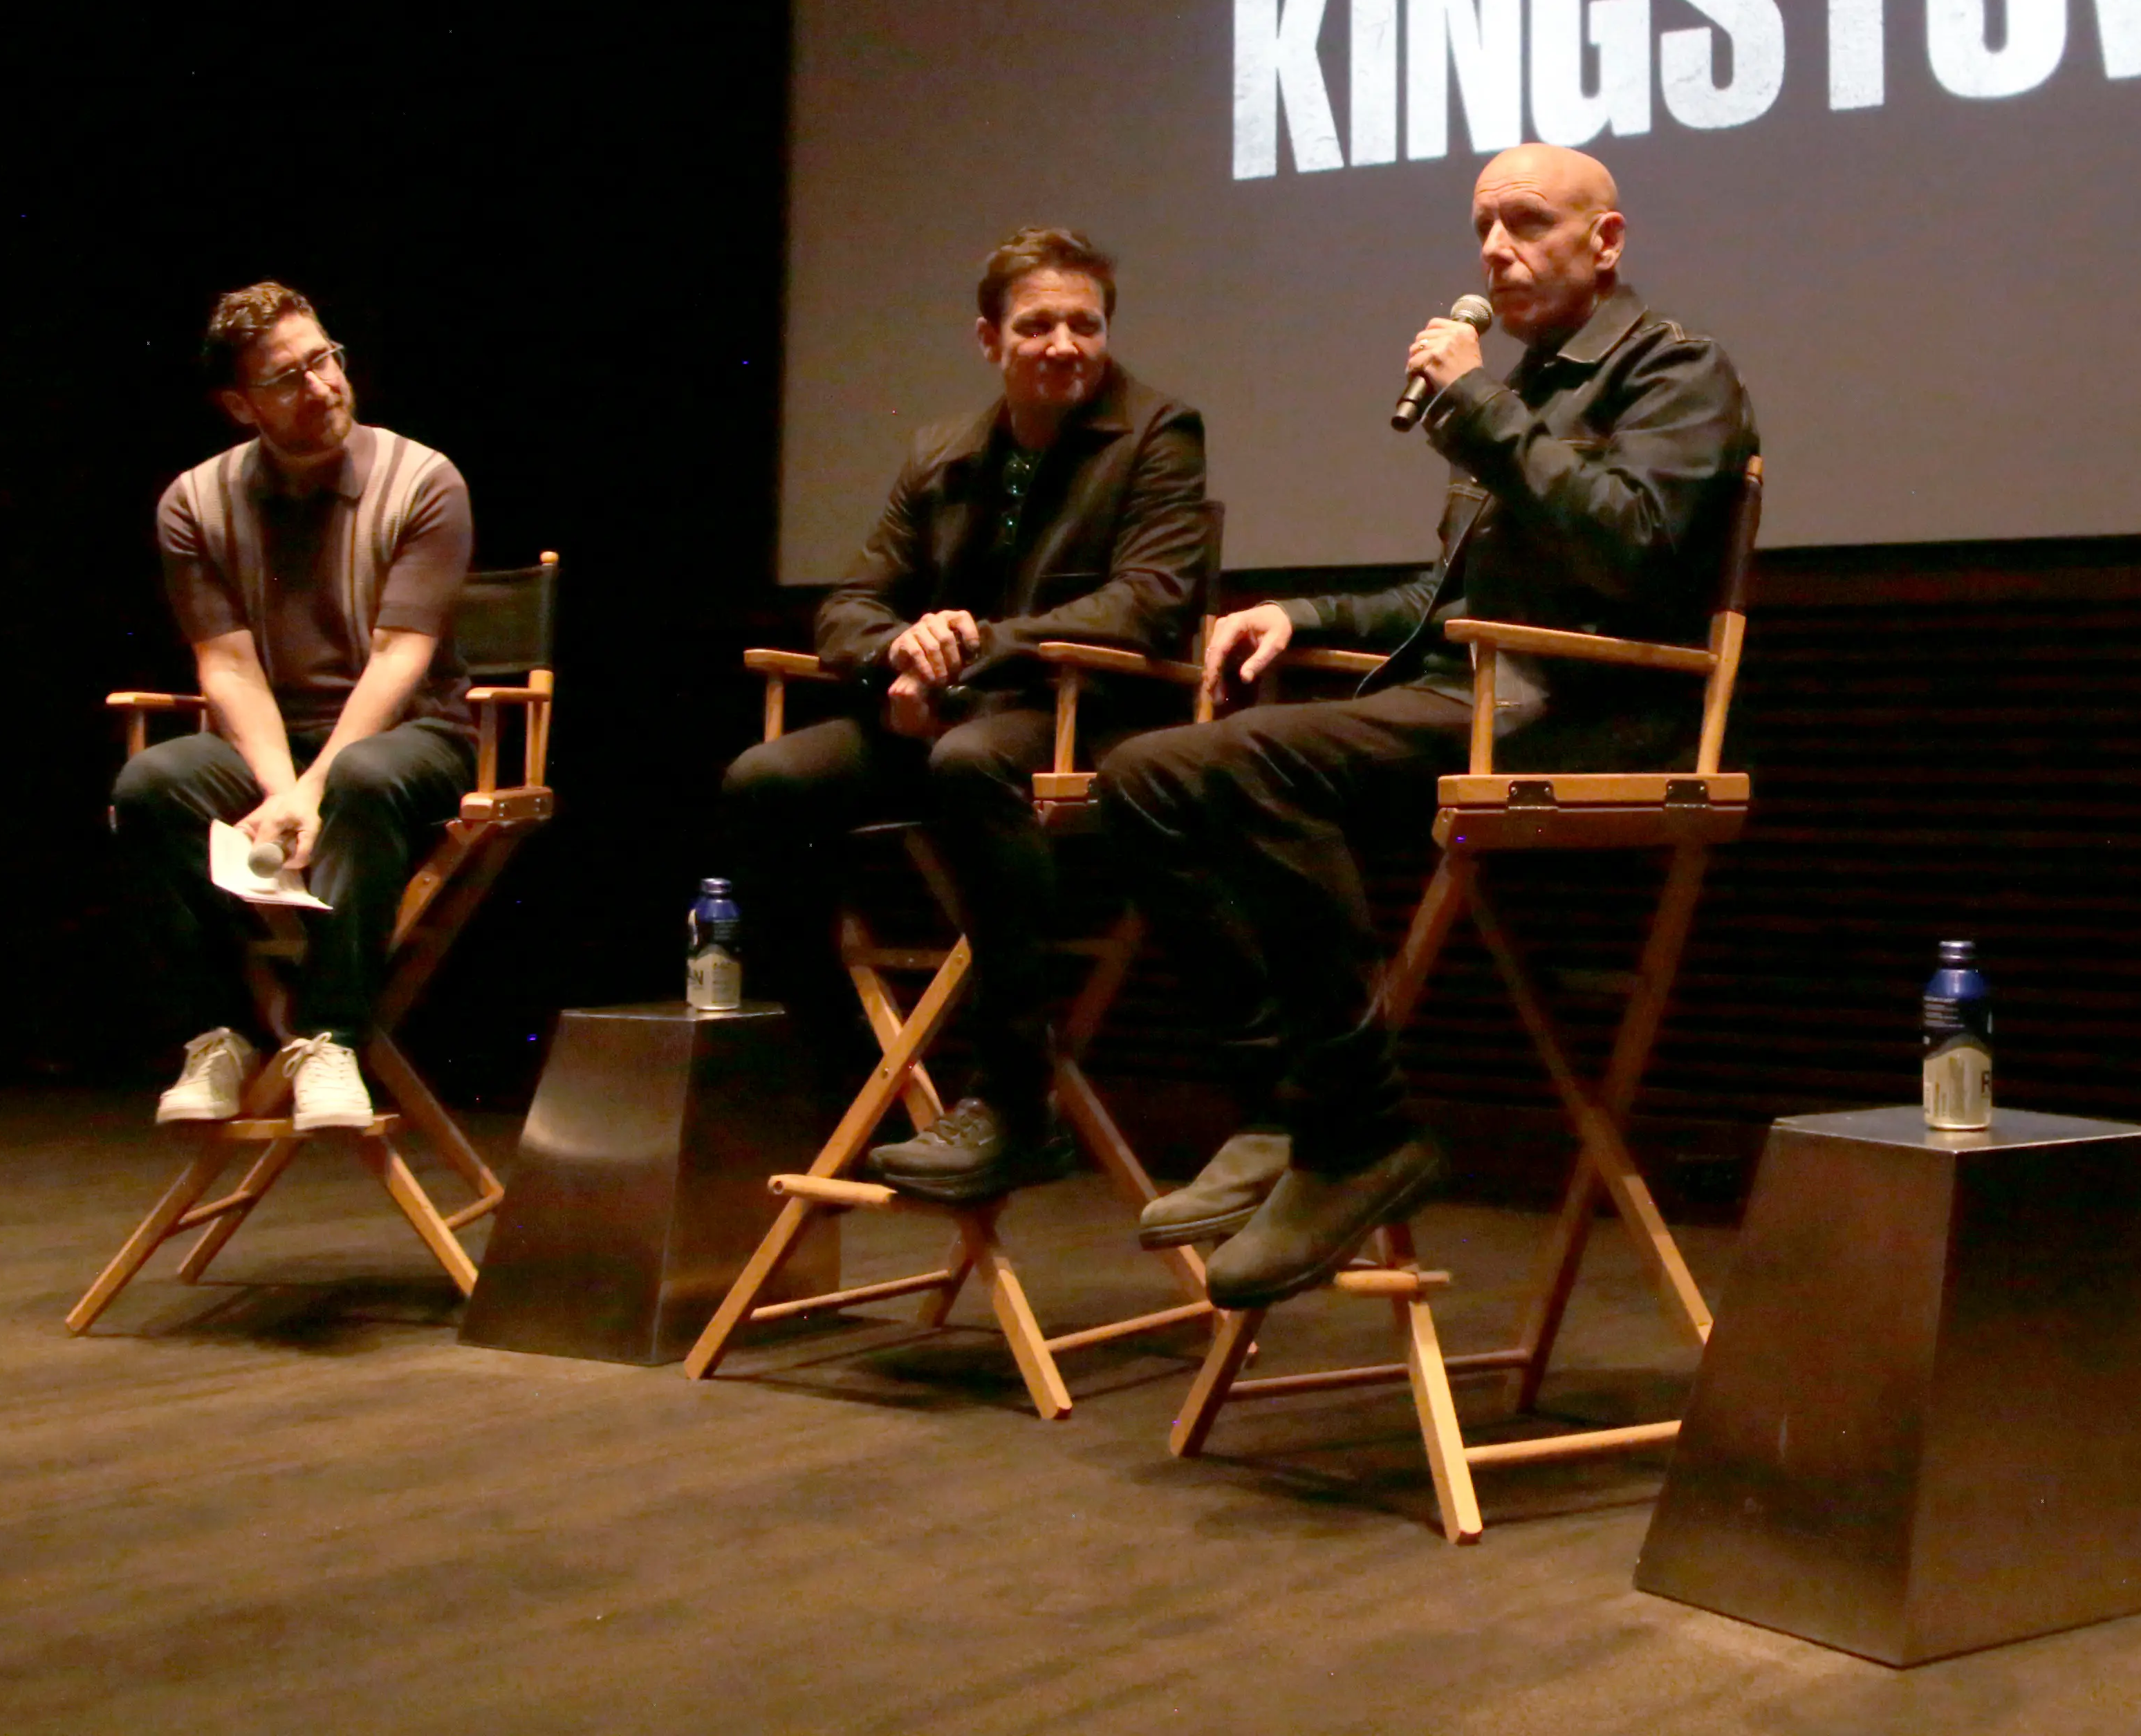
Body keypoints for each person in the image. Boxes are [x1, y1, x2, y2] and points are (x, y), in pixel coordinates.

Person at [1096, 144, 1756, 1309]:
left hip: (1590, 716)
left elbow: (1638, 550)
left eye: (1526, 222)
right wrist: (1294, 612)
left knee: (1244, 768)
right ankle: (1303, 1103)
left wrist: (1481, 403)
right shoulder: (1528, 392)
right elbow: (1444, 604)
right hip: (1484, 694)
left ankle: (1357, 1128)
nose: (1495, 250)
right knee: (1148, 771)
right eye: (1481, 227)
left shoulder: (1676, 371)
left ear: (1604, 243)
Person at [719, 226, 1207, 1200]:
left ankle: (1017, 1102)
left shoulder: (1159, 430)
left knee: (970, 762)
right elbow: (848, 607)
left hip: (1086, 717)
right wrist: (898, 650)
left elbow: (1153, 598)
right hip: (939, 717)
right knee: (761, 781)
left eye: (1086, 324)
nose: (1066, 344)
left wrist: (968, 651)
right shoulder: (941, 452)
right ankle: (837, 1059)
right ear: (991, 340)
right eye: (1039, 326)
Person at [111, 283, 479, 1136]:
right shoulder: (193, 504)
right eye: (289, 378)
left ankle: (330, 1037)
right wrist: (286, 787)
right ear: (242, 405)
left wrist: (309, 792)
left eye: (326, 360)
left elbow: (401, 657)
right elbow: (227, 664)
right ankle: (219, 1036)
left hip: (409, 732)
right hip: (272, 741)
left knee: (359, 775)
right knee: (150, 784)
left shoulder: (423, 480)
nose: (322, 386)